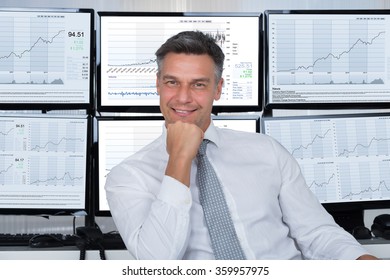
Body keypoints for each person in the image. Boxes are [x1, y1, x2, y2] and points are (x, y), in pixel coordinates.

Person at [105, 30, 377, 260]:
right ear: (158, 85)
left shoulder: (267, 151)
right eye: (172, 82)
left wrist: (361, 260)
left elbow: (317, 232)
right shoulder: (128, 176)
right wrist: (179, 159)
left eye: (198, 84)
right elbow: (158, 262)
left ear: (218, 88)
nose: (183, 97)